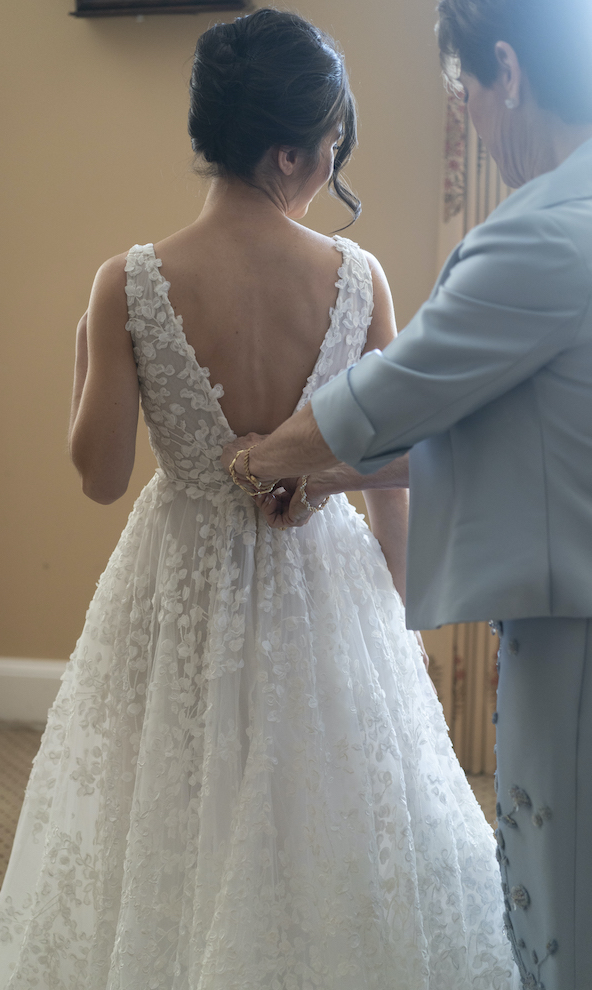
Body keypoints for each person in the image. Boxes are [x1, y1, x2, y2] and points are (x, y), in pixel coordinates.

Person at [0, 9, 517, 990]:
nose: (334, 165)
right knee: (329, 797)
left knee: (173, 792)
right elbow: (394, 461)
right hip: (322, 574)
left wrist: (88, 354)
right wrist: (398, 609)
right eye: (333, 146)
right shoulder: (357, 276)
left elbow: (96, 477)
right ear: (294, 150)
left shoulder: (127, 281)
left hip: (178, 577)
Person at [222, 2, 592, 988]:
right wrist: (331, 475)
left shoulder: (547, 235)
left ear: (505, 71)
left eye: (462, 92)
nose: (466, 118)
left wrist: (260, 461)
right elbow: (512, 438)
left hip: (580, 629)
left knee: (566, 889)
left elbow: (386, 399)